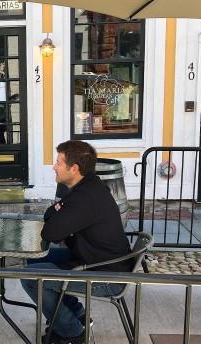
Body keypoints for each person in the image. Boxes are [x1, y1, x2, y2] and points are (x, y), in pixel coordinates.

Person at [21, 140, 132, 344]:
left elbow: (51, 232)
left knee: (30, 277)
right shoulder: (86, 186)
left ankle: (72, 333)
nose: (54, 166)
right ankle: (77, 314)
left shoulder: (86, 196)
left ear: (74, 168)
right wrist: (58, 212)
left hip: (105, 275)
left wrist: (58, 213)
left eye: (58, 163)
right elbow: (49, 214)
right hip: (94, 260)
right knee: (33, 261)